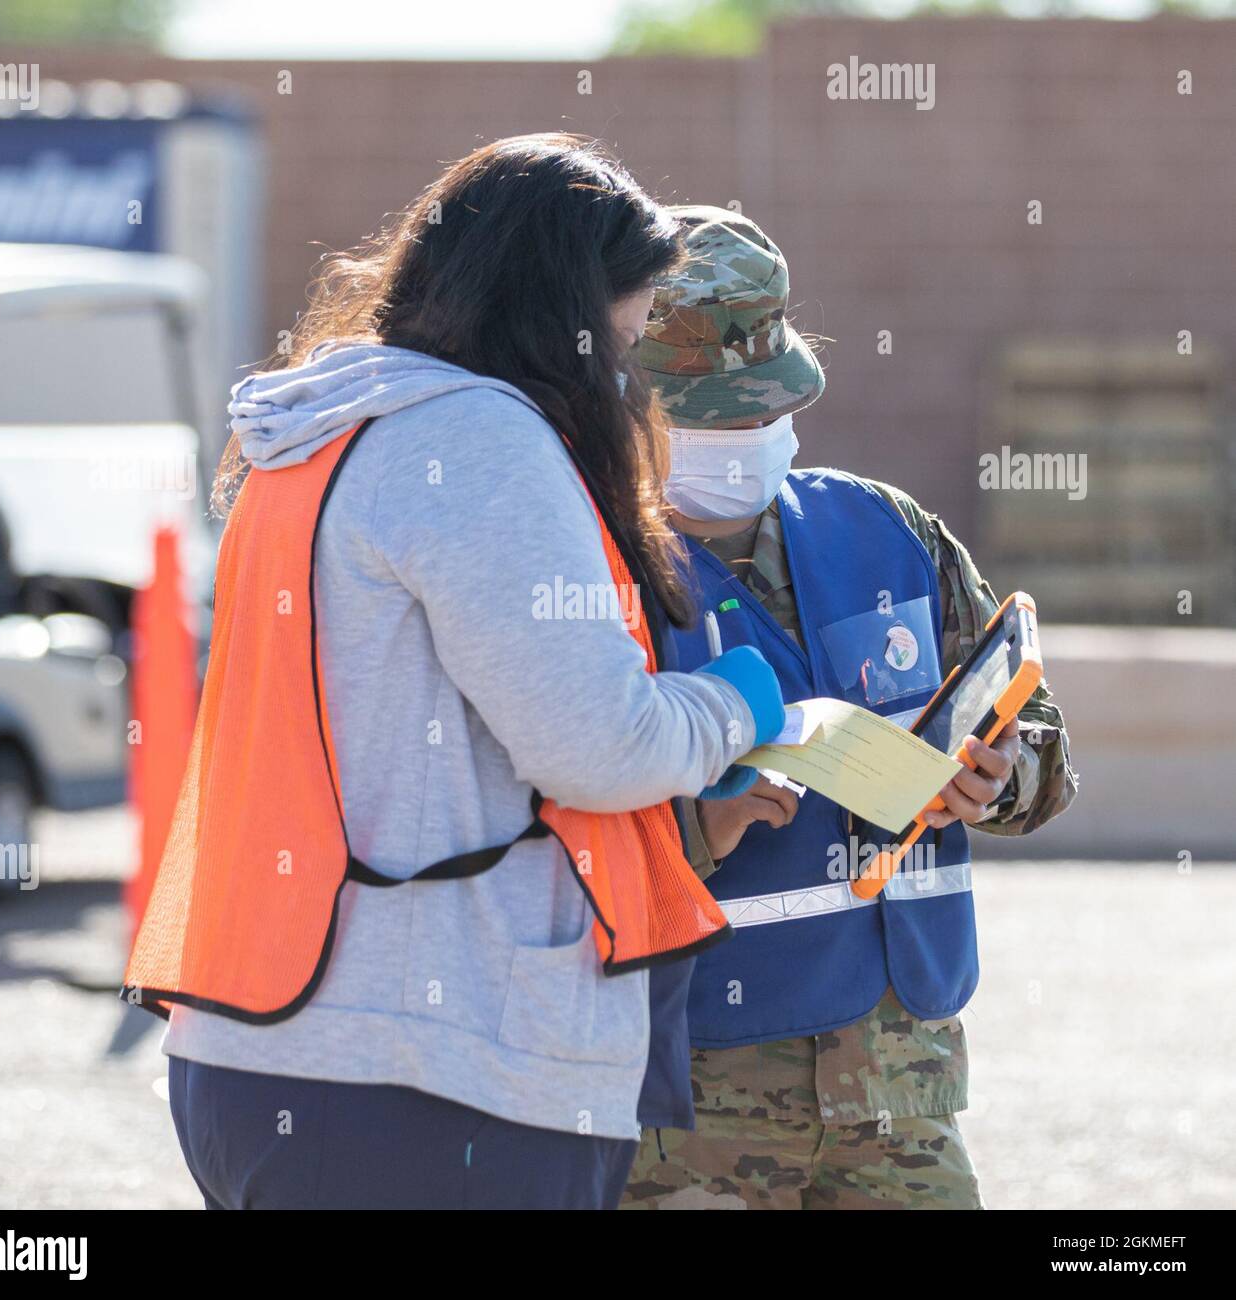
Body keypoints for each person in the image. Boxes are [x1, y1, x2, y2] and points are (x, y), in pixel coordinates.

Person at [123, 142, 786, 1210]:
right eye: (618, 338)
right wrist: (736, 705)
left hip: (263, 1047)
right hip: (430, 1076)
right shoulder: (473, 437)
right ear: (556, 315)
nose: (626, 377)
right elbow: (598, 745)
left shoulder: (312, 437)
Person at [621, 207, 1078, 1210]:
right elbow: (542, 833)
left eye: (760, 409)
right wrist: (700, 827)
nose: (745, 436)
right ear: (633, 405)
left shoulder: (886, 530)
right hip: (695, 1120)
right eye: (714, 415)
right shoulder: (600, 574)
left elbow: (1035, 732)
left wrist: (1003, 776)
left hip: (900, 1099)